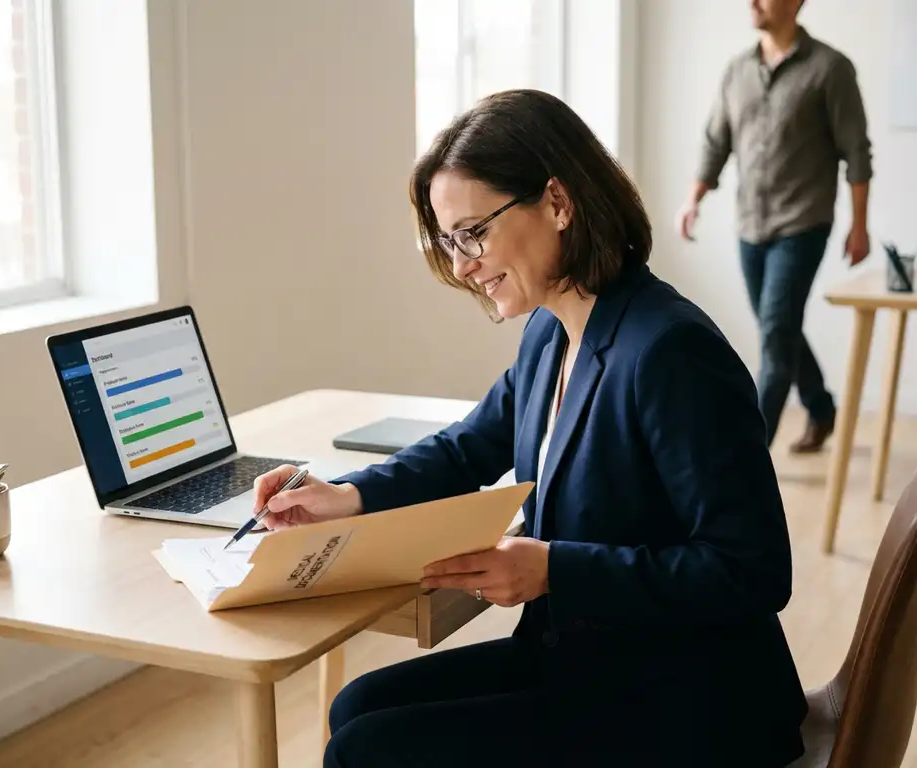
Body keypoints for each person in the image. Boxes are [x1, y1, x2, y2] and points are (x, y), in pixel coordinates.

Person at [254, 89, 807, 767]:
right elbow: (469, 446)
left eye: (472, 233)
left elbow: (752, 571)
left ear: (557, 202)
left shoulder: (670, 352)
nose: (461, 265)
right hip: (590, 659)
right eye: (449, 241)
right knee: (355, 709)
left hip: (690, 700)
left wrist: (555, 571)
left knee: (368, 748)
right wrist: (346, 495)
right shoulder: (551, 330)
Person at [675, 0, 873, 453]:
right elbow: (715, 142)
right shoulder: (737, 70)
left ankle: (749, 452)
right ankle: (821, 409)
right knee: (777, 326)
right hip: (750, 226)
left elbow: (857, 152)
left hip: (803, 224)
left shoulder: (830, 69)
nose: (752, 3)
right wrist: (692, 201)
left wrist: (859, 226)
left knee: (776, 335)